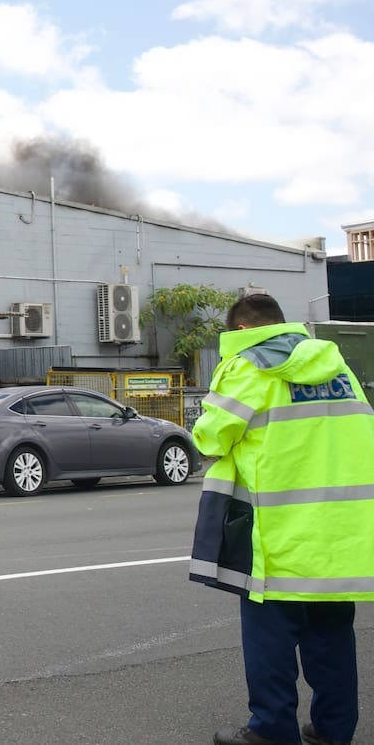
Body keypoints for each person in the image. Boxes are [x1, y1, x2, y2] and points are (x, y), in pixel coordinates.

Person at [189, 293, 374, 745]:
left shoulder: (248, 368)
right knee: (331, 640)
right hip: (337, 538)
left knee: (269, 644)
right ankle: (334, 731)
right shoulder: (337, 367)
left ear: (243, 330)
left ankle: (271, 731)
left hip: (277, 535)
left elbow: (211, 440)